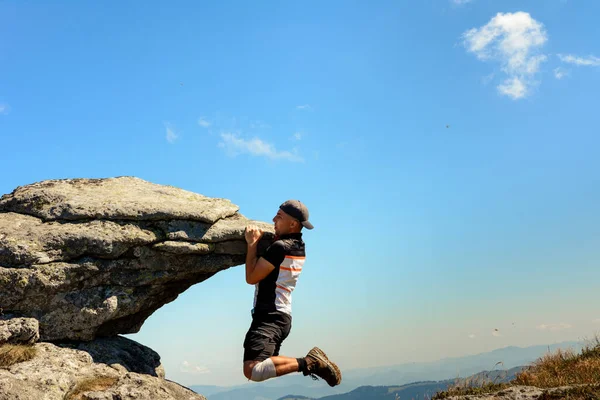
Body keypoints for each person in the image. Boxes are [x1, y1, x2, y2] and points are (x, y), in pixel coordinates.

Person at [242, 200, 342, 386]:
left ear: (293, 223)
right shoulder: (297, 246)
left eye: (279, 216)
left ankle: (311, 362)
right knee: (259, 367)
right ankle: (310, 363)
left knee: (253, 369)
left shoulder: (280, 247)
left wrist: (252, 244)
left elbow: (252, 277)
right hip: (281, 315)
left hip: (269, 315)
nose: (273, 219)